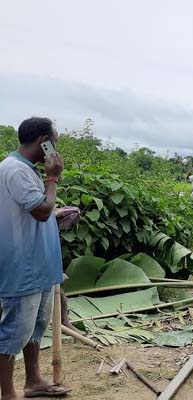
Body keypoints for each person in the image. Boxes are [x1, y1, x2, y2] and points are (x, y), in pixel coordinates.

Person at [0, 117, 71, 398]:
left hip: (40, 266)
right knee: (14, 332)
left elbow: (38, 212)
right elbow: (40, 210)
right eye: (54, 142)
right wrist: (52, 177)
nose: (56, 149)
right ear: (44, 141)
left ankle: (33, 380)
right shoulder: (15, 170)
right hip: (23, 267)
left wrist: (57, 214)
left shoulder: (26, 170)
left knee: (35, 329)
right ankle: (7, 393)